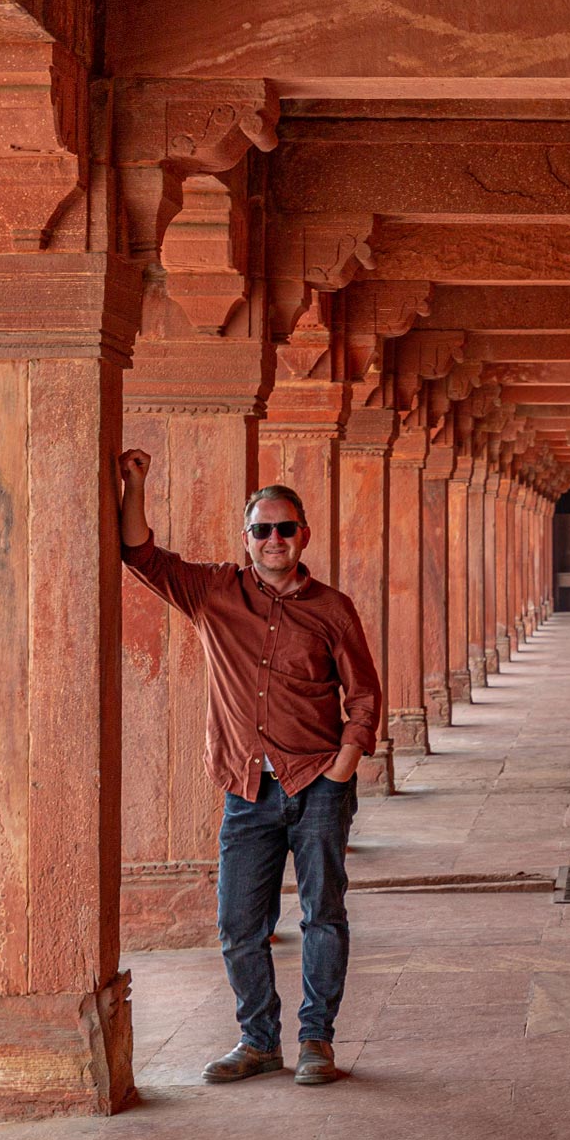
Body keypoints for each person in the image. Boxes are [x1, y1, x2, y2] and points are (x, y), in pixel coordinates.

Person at [117, 449, 381, 1086]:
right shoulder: (214, 594)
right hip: (247, 785)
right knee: (238, 921)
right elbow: (142, 556)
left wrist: (344, 765)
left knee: (323, 913)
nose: (273, 540)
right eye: (261, 529)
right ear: (247, 538)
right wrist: (136, 483)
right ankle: (258, 1041)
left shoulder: (332, 609)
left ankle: (316, 1040)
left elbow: (365, 695)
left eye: (284, 528)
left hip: (317, 780)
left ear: (303, 535)